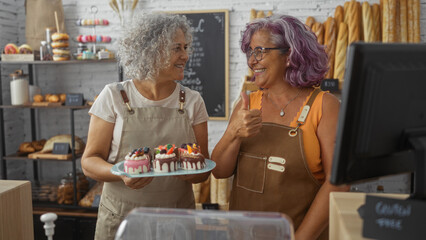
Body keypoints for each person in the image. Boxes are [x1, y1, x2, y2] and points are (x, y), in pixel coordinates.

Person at [211, 15, 349, 240]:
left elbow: (338, 184)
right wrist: (232, 133)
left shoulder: (324, 105)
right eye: (249, 52)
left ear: (290, 55)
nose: (252, 61)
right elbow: (219, 171)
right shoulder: (247, 103)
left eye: (260, 51)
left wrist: (299, 238)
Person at [81, 12, 210, 240]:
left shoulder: (192, 101)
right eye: (177, 48)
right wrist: (121, 174)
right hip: (122, 218)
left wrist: (189, 172)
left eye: (186, 47)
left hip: (177, 219)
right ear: (152, 51)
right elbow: (89, 162)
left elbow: (203, 170)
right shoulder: (114, 96)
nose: (186, 56)